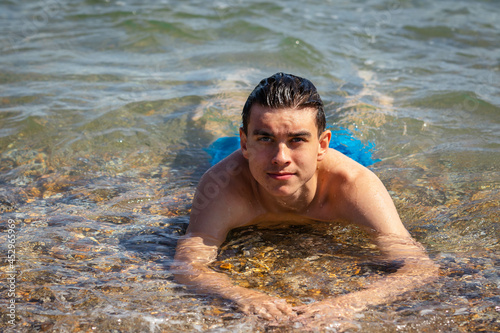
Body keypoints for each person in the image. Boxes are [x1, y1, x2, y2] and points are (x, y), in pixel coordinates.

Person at [173, 72, 437, 325]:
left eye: (296, 140)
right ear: (244, 143)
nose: (280, 157)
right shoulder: (224, 185)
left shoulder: (353, 185)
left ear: (322, 145)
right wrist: (244, 295)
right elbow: (188, 265)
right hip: (244, 162)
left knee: (360, 111)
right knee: (204, 127)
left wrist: (346, 304)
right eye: (265, 138)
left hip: (344, 154)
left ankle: (366, 85)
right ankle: (225, 84)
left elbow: (419, 267)